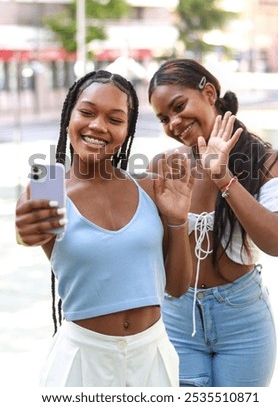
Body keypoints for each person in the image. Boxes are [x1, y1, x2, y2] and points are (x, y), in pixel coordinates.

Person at [15, 69, 194, 387]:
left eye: (114, 119)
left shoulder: (148, 188)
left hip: (151, 356)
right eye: (86, 112)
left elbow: (178, 287)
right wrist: (23, 233)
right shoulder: (48, 184)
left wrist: (177, 219)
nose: (97, 126)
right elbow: (29, 229)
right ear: (69, 115)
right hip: (83, 359)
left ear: (127, 129)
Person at [147, 58, 278, 387]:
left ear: (209, 93)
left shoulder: (266, 160)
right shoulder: (166, 167)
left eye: (178, 106)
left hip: (242, 321)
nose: (174, 123)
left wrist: (223, 177)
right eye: (163, 118)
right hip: (178, 319)